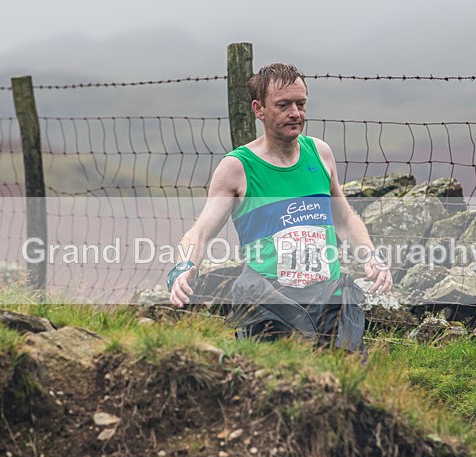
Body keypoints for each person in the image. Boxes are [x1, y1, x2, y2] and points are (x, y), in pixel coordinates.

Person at [167, 63, 392, 357]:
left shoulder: (320, 153)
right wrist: (183, 267)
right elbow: (200, 232)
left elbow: (346, 218)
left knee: (343, 388)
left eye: (301, 104)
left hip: (329, 298)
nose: (295, 113)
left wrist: (370, 256)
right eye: (283, 105)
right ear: (259, 109)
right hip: (269, 305)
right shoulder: (237, 168)